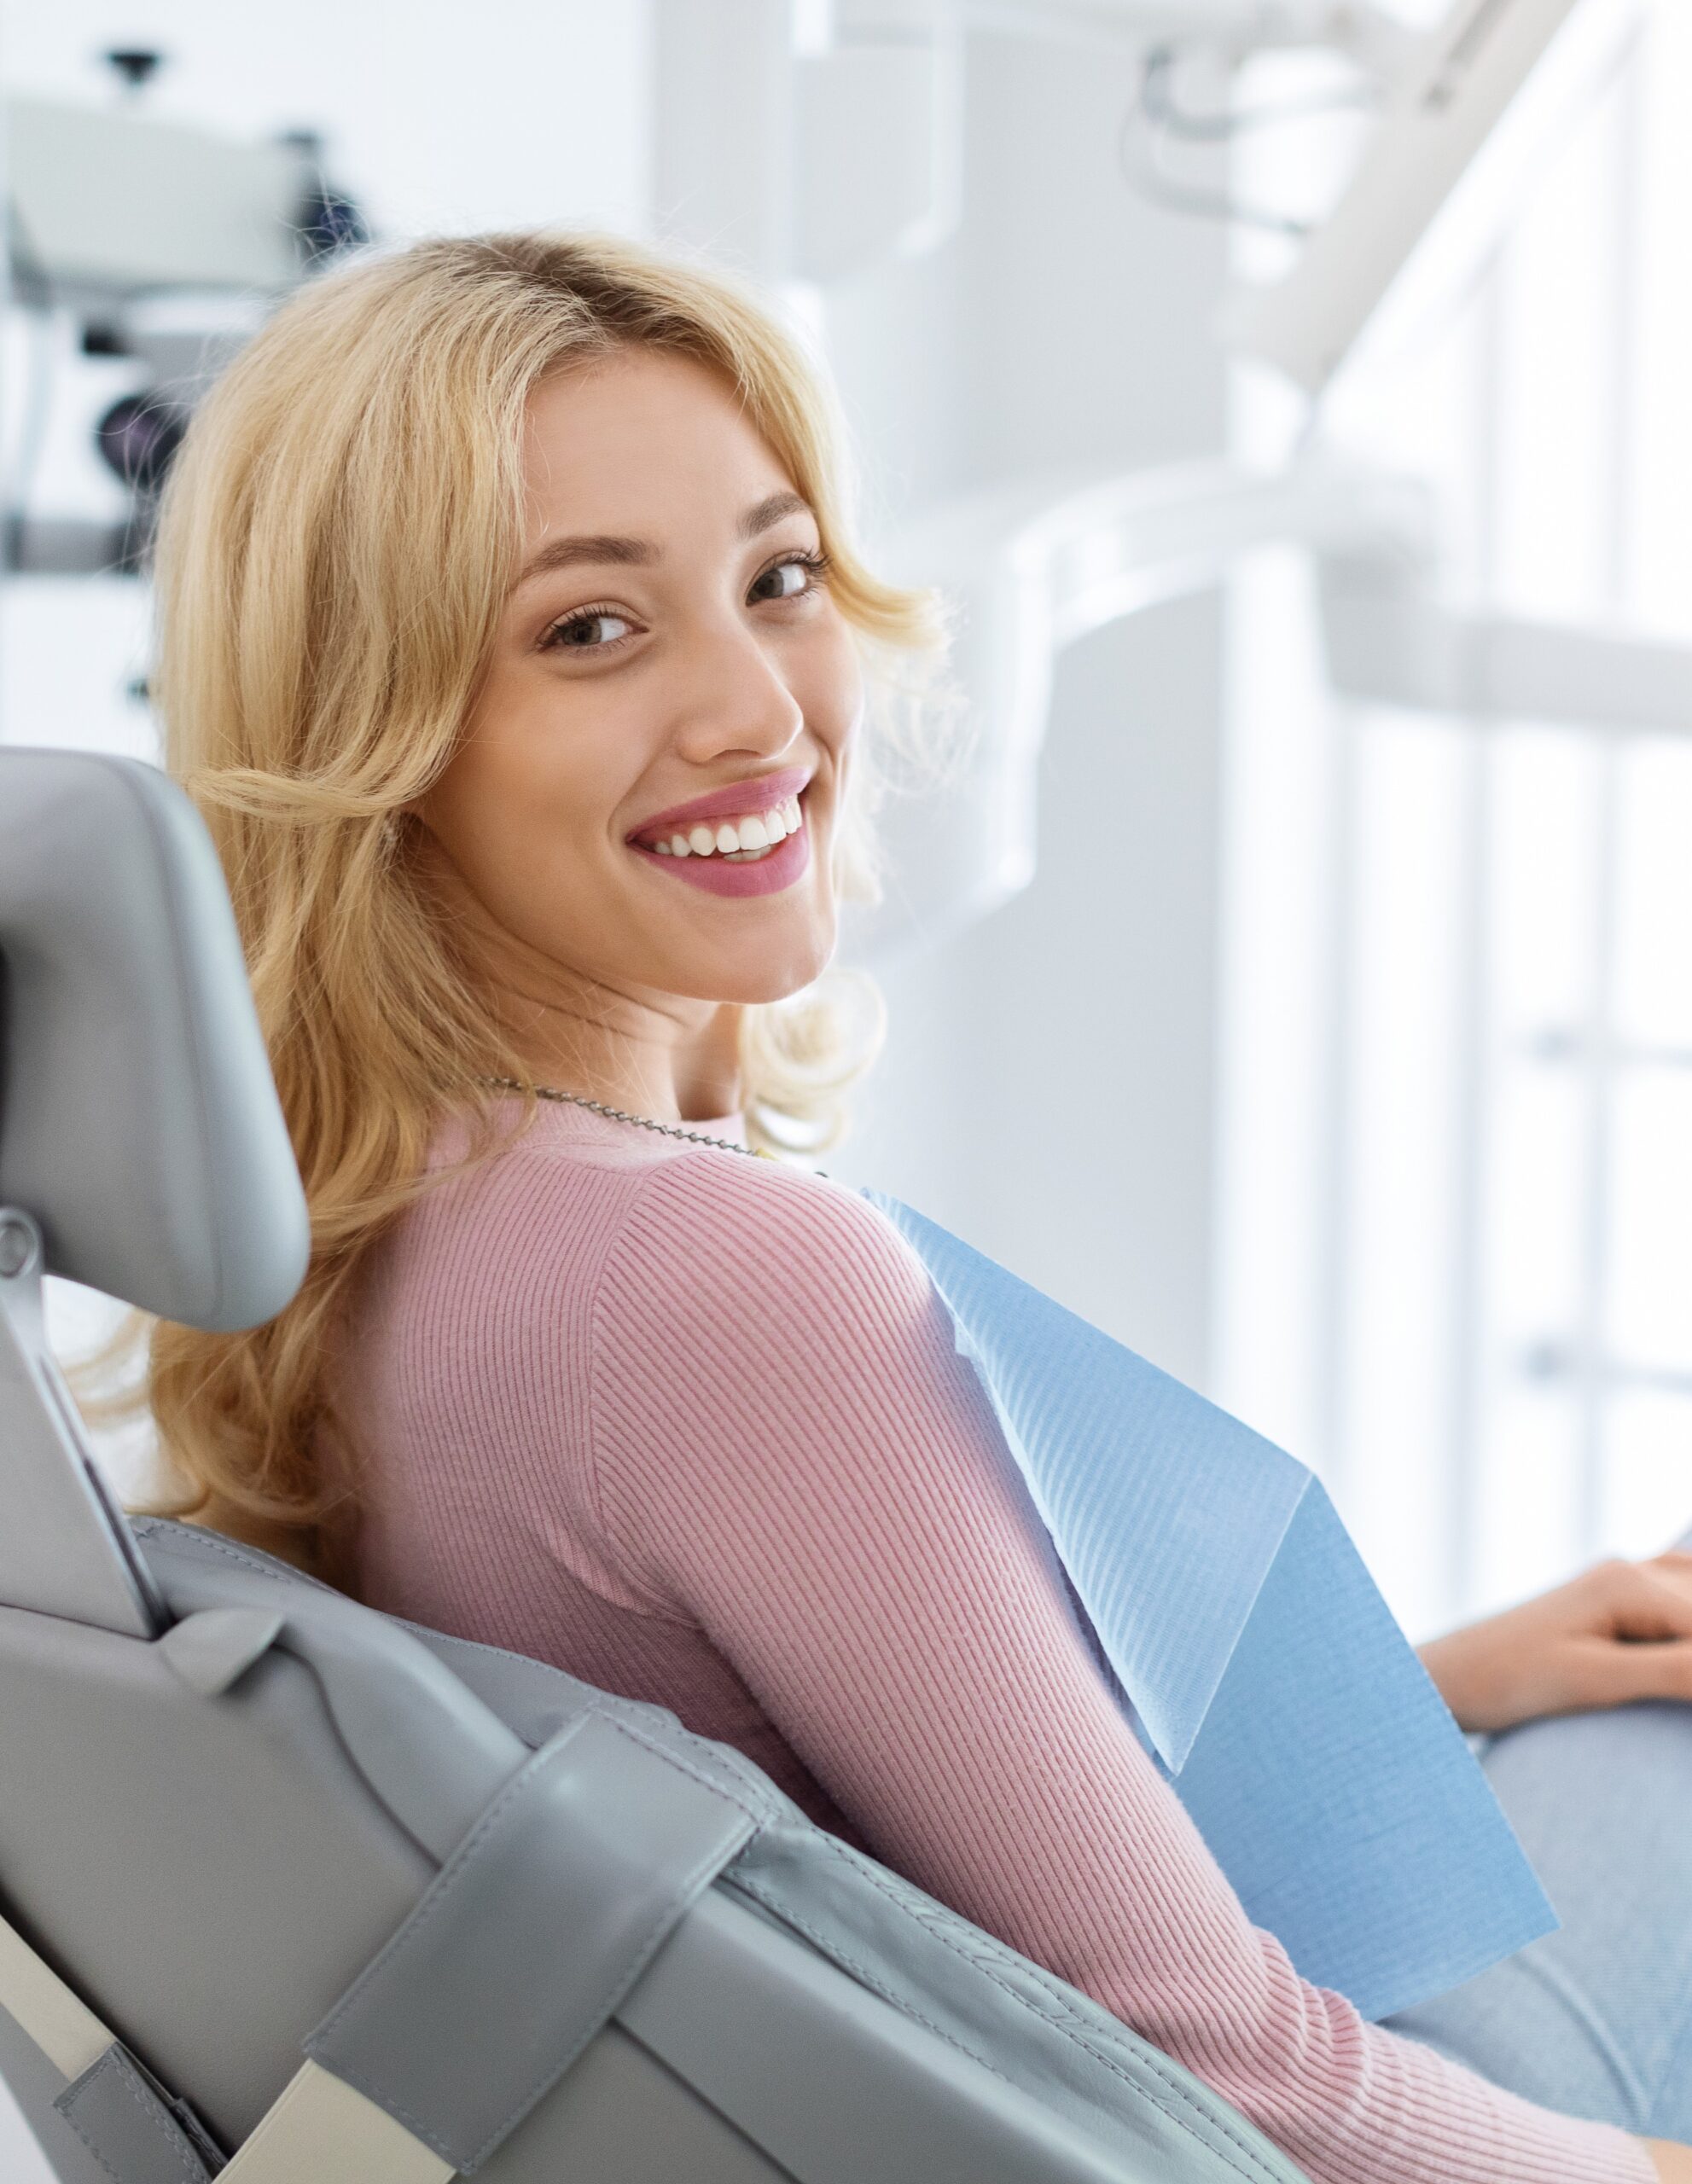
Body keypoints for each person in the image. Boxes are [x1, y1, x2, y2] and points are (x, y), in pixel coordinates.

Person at [133, 228, 1692, 2184]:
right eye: (588, 630)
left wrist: (1431, 1692)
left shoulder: (370, 1216)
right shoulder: (706, 1278)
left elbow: (845, 1845)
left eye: (776, 579)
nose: (754, 712)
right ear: (381, 735)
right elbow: (1224, 2073)